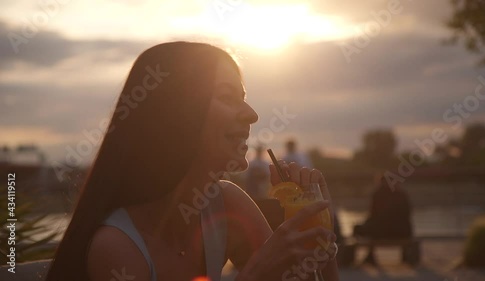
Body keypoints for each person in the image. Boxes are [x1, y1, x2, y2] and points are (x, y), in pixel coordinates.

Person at [45, 42, 339, 281]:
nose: (251, 114)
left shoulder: (227, 203)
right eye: (227, 97)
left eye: (244, 98)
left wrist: (316, 240)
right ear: (177, 115)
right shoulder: (117, 248)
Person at [353, 176, 413, 264]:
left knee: (359, 228)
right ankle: (404, 254)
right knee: (375, 227)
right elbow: (408, 214)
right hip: (403, 232)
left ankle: (370, 254)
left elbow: (373, 215)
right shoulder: (402, 194)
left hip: (382, 232)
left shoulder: (378, 194)